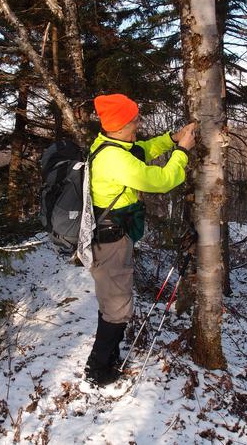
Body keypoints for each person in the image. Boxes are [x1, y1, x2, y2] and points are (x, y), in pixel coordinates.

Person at [85, 93, 196, 386]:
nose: (139, 123)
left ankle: (107, 359)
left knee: (114, 302)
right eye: (134, 119)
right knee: (117, 307)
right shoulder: (113, 158)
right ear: (121, 124)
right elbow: (160, 180)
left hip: (113, 239)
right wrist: (182, 152)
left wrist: (171, 139)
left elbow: (141, 151)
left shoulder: (112, 145)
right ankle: (97, 370)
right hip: (110, 243)